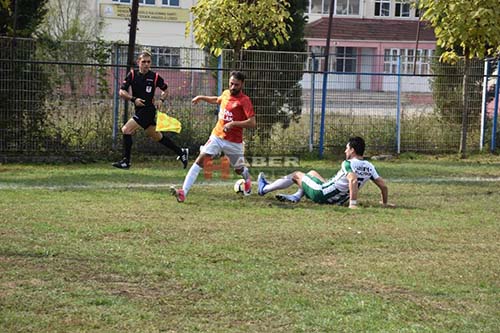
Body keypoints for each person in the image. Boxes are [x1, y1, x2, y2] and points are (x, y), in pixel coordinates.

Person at [171, 71, 256, 202]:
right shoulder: (226, 93)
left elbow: (252, 122)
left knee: (238, 169)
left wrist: (233, 124)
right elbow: (217, 100)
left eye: (236, 85)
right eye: (231, 84)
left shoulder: (245, 101)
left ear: (242, 85)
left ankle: (247, 179)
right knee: (200, 161)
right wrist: (201, 97)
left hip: (234, 142)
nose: (233, 87)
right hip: (217, 136)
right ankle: (183, 192)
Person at [257, 136, 391, 209]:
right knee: (312, 173)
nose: (345, 151)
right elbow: (383, 186)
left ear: (352, 150)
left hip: (322, 194)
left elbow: (353, 180)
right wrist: (384, 203)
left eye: (347, 148)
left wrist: (353, 204)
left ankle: (264, 188)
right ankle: (296, 197)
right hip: (337, 201)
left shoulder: (348, 163)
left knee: (297, 175)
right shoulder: (369, 166)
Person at [113, 49, 188, 169]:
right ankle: (181, 152)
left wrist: (161, 100)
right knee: (156, 136)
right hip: (139, 110)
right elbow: (121, 91)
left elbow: (166, 90)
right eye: (144, 62)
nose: (146, 64)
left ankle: (126, 161)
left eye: (148, 62)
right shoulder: (132, 75)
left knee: (126, 129)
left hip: (148, 110)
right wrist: (133, 99)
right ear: (139, 62)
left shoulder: (155, 77)